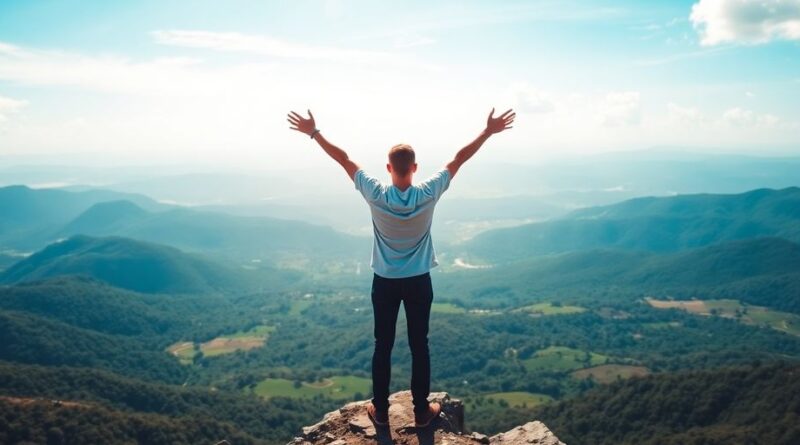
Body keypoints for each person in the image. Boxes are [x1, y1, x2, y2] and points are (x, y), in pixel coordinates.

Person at [286, 107, 515, 428]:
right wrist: (488, 131)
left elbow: (345, 159)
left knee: (383, 345)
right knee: (420, 345)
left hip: (385, 282)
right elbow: (458, 159)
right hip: (420, 281)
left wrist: (314, 133)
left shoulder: (375, 193)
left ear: (389, 168)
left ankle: (380, 411)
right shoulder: (428, 193)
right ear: (416, 167)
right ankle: (422, 411)